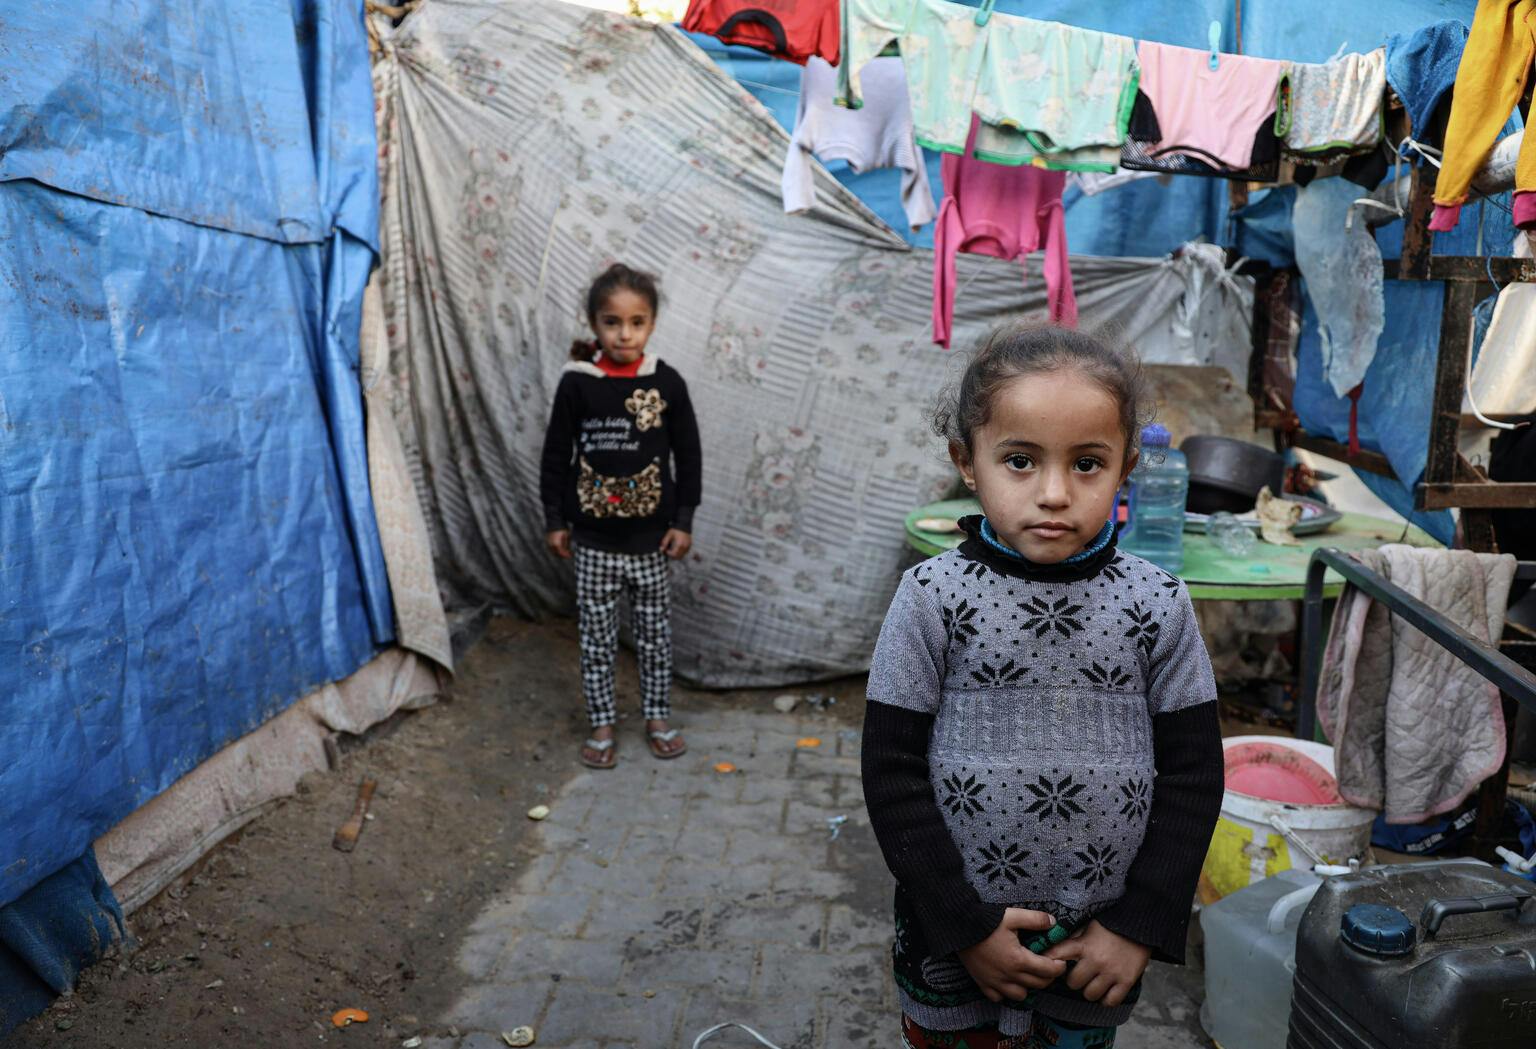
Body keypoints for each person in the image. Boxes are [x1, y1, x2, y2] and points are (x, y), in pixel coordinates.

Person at [861, 326, 1224, 1048]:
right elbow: (891, 773)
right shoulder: (930, 597)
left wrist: (1137, 927)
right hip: (953, 948)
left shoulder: (1158, 604)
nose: (1054, 493)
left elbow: (1194, 775)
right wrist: (965, 927)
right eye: (1020, 460)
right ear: (968, 462)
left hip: (1091, 952)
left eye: (1088, 463)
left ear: (1125, 470)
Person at [539, 263, 702, 769]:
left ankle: (656, 717)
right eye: (612, 322)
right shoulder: (577, 384)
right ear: (594, 323)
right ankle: (603, 724)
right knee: (596, 639)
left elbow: (689, 455)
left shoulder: (666, 382)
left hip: (652, 543)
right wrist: (556, 520)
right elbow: (554, 456)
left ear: (651, 324)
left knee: (654, 638)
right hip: (591, 544)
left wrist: (682, 521)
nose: (624, 333)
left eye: (636, 322)